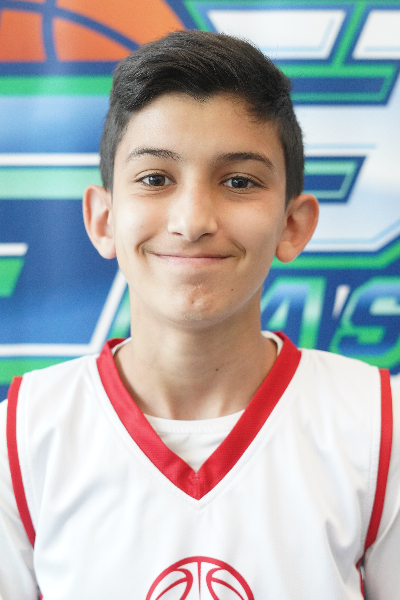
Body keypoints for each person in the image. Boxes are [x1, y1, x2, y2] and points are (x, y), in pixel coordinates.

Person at [0, 30, 399, 600]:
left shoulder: (379, 429)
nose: (192, 221)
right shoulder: (22, 437)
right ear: (104, 219)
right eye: (155, 179)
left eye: (238, 181)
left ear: (293, 225)